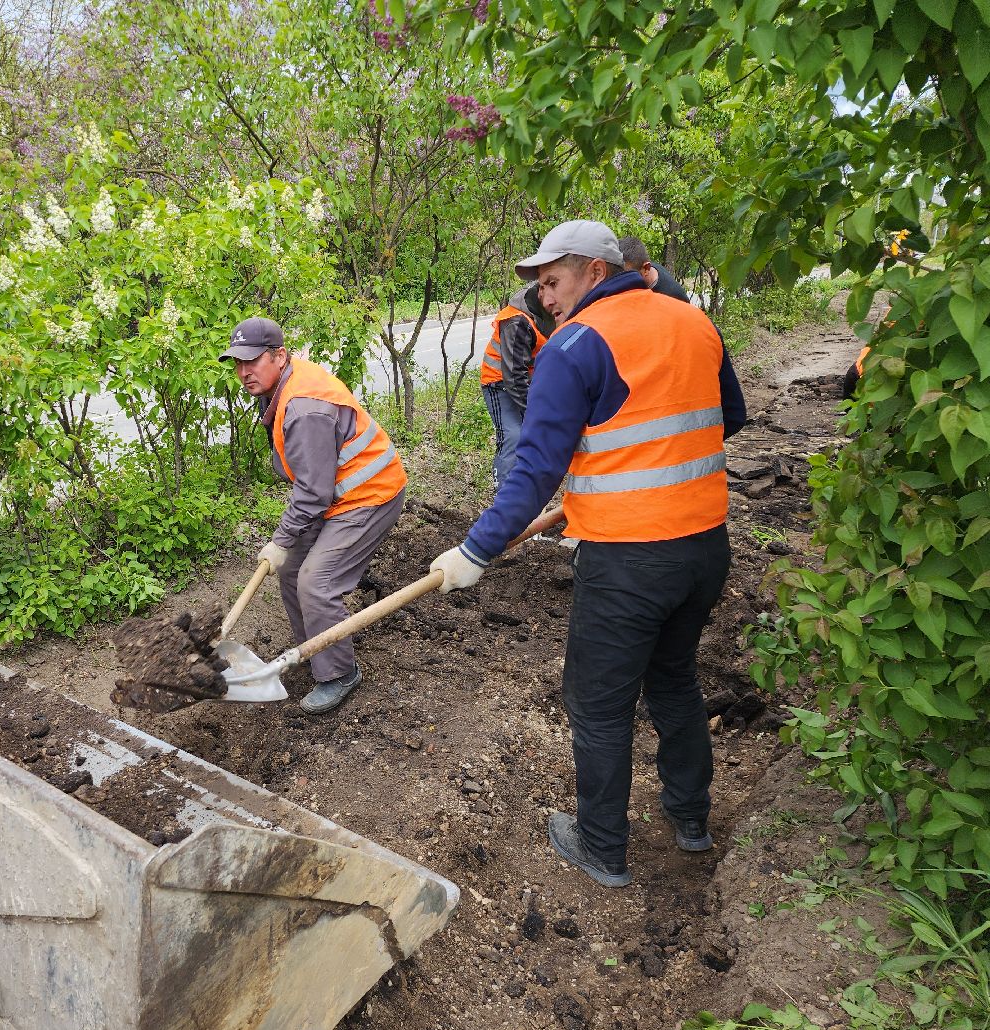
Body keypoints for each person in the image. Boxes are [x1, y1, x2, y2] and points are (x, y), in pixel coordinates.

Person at [429, 220, 747, 888]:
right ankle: (690, 819)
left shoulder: (576, 345)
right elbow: (727, 417)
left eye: (552, 280)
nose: (544, 297)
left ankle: (602, 846)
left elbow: (534, 468)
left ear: (595, 273)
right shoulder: (694, 323)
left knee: (599, 704)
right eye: (540, 286)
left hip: (630, 561)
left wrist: (476, 548)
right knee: (674, 679)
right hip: (705, 551)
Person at [222, 316, 407, 715]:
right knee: (289, 570)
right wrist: (284, 548)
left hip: (369, 496)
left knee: (315, 581)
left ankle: (339, 672)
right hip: (335, 495)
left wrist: (280, 540)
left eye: (252, 361)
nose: (243, 372)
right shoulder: (283, 383)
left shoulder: (305, 408)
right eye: (238, 363)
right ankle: (316, 647)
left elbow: (312, 493)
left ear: (279, 356)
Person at [480, 284, 555, 486]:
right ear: (541, 292)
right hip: (499, 382)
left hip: (529, 381)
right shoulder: (516, 322)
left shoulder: (556, 308)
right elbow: (514, 376)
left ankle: (529, 486)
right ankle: (503, 493)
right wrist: (533, 412)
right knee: (513, 435)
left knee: (536, 433)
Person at [617, 236, 692, 304]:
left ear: (646, 269)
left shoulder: (673, 297)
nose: (621, 282)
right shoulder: (638, 264)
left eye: (627, 276)